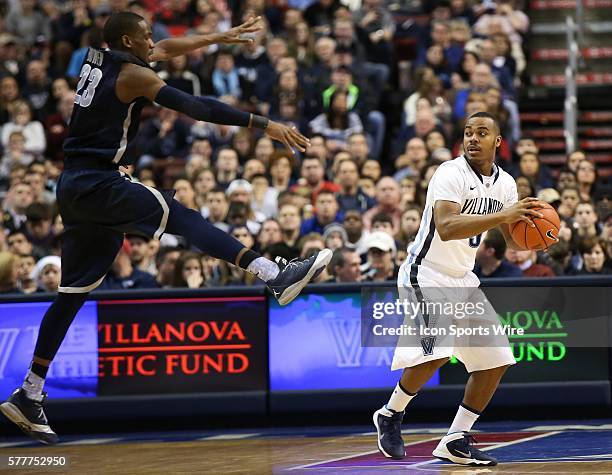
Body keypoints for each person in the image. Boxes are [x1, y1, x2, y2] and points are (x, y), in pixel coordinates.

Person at [0, 12, 332, 446]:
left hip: (74, 185)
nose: (153, 42)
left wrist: (219, 36)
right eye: (146, 37)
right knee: (183, 215)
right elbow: (196, 107)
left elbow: (164, 50)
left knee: (71, 296)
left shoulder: (99, 56)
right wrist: (262, 124)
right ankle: (273, 274)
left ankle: (29, 391)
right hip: (100, 182)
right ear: (127, 40)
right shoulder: (133, 75)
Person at [373, 112, 550, 466]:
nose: (472, 138)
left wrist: (538, 232)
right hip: (426, 274)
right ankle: (390, 414)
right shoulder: (449, 173)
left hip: (463, 278)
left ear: (497, 141)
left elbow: (514, 238)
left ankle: (456, 438)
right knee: (438, 350)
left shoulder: (506, 184)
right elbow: (448, 226)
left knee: (496, 359)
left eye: (481, 133)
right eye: (468, 133)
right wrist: (504, 216)